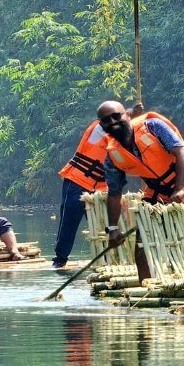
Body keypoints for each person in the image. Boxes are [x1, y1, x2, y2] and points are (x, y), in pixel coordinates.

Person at [98, 100, 184, 282]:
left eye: (116, 116)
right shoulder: (112, 156)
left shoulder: (152, 126)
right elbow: (114, 192)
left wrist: (179, 188)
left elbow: (181, 152)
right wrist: (113, 229)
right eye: (106, 120)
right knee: (143, 238)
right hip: (159, 195)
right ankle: (147, 283)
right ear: (101, 126)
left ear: (127, 115)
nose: (112, 122)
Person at [52, 104, 144, 269]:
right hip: (77, 181)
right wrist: (131, 112)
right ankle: (60, 260)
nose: (112, 122)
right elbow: (116, 122)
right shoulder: (98, 128)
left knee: (104, 224)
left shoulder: (122, 138)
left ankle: (110, 260)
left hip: (101, 189)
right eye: (108, 119)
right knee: (69, 222)